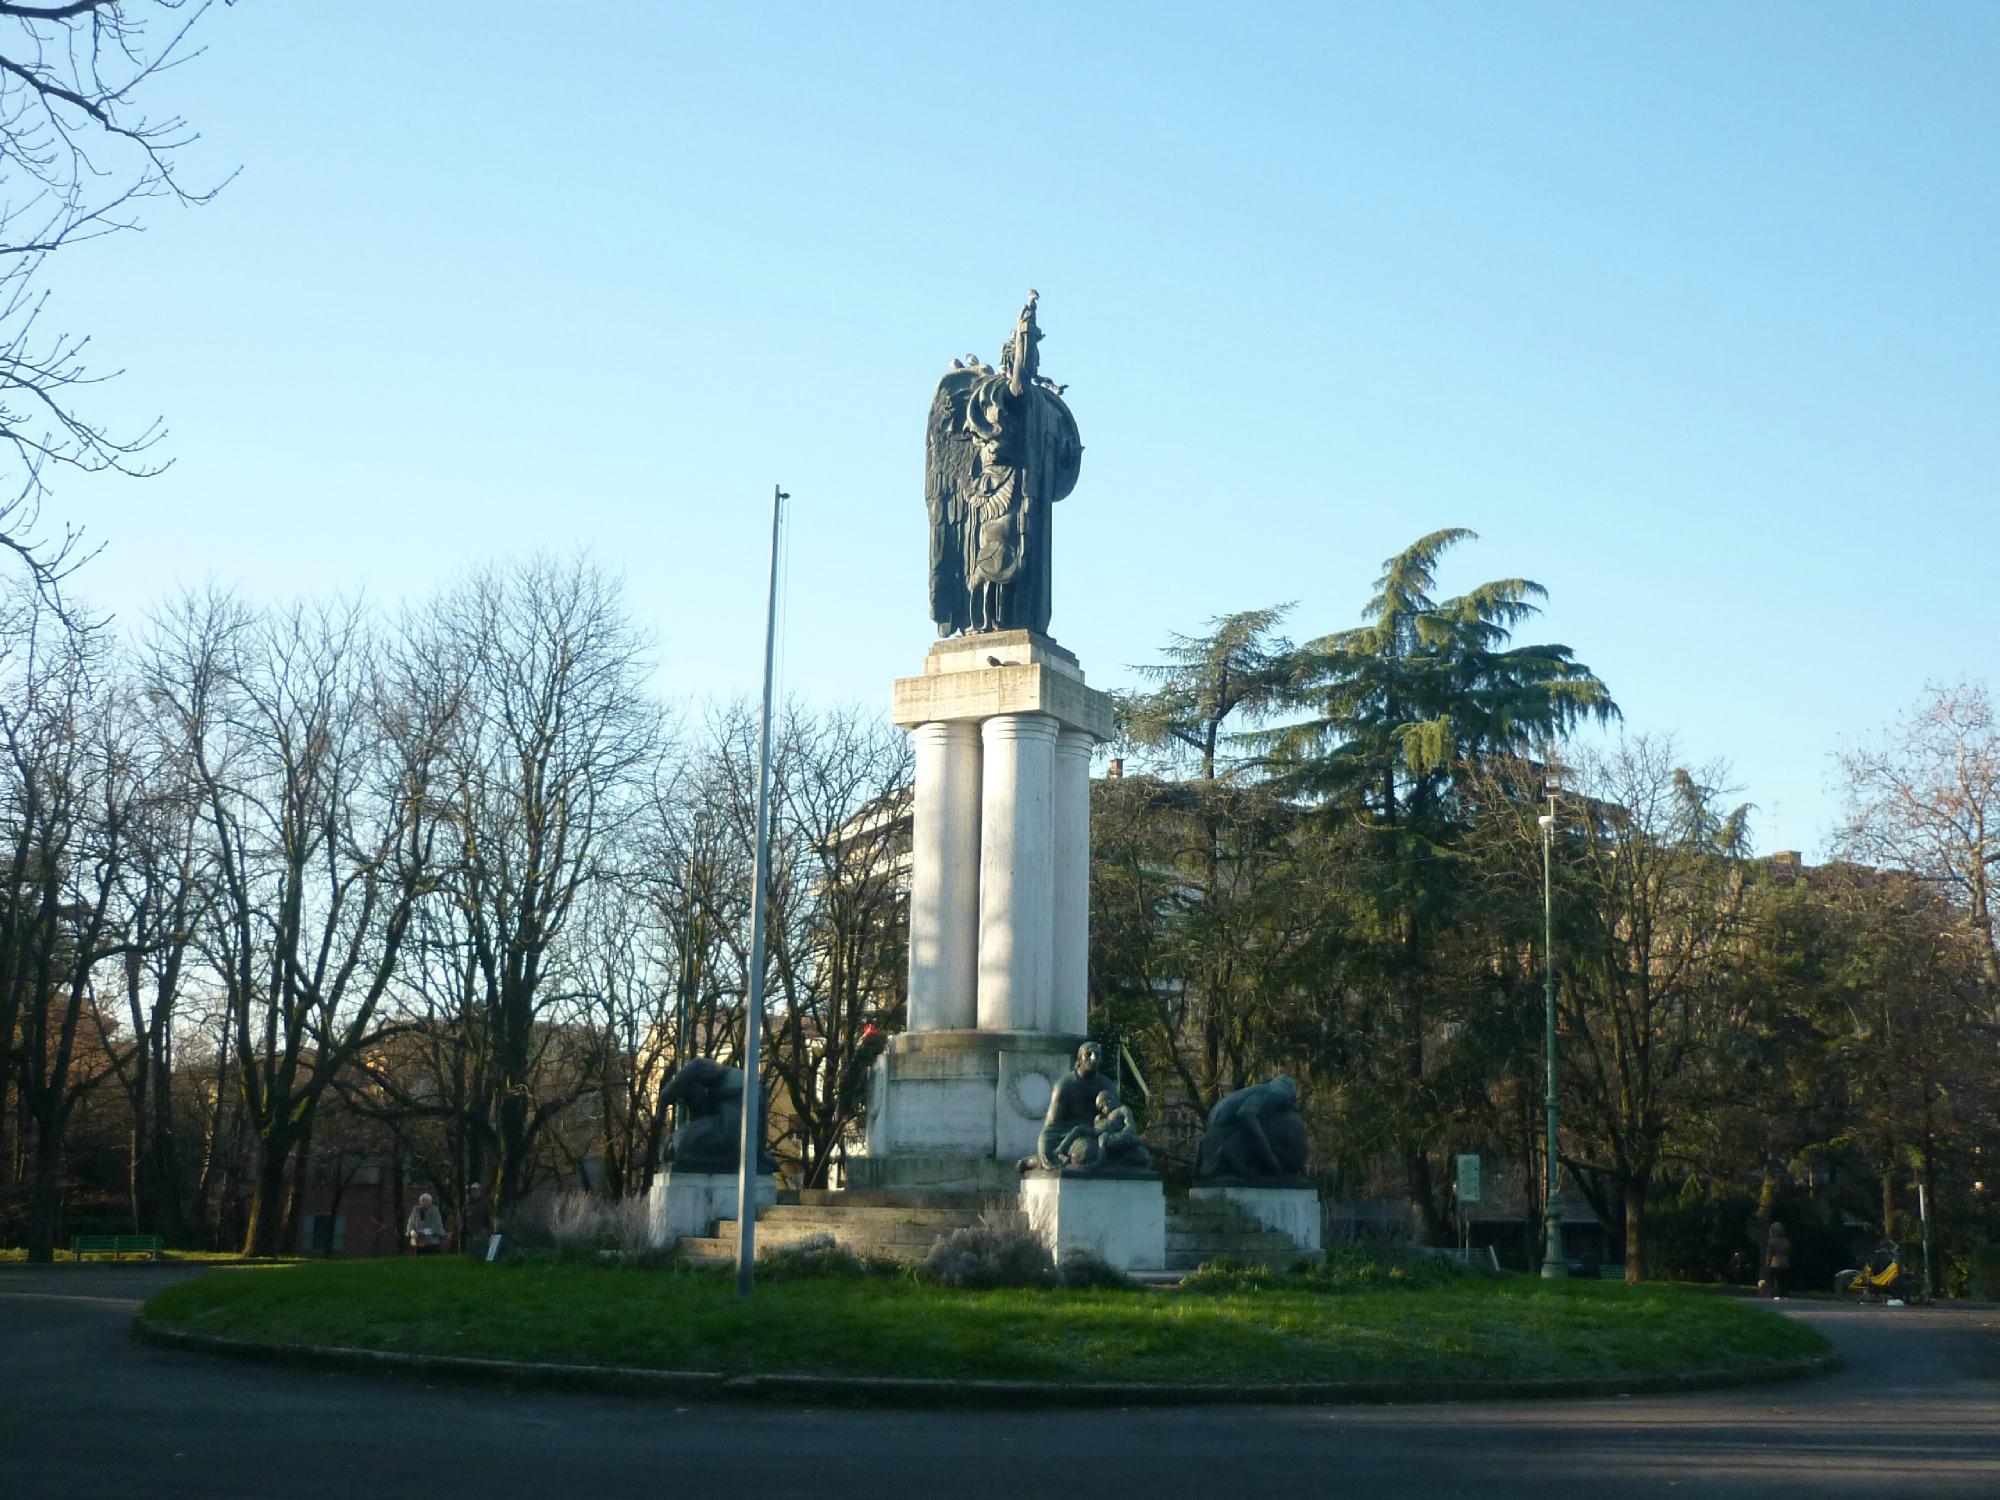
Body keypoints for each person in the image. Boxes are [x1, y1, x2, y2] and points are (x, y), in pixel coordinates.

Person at [460, 1181, 493, 1257]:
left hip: (482, 1230)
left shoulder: (485, 1203)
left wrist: (490, 1230)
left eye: (476, 1190)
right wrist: (462, 1228)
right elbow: (463, 1216)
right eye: (472, 1190)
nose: (474, 1192)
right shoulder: (467, 1203)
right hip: (469, 1232)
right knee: (470, 1252)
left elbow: (489, 1217)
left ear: (480, 1191)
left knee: (481, 1250)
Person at [1764, 1220, 1792, 1299]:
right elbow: (1789, 1251)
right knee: (1784, 1279)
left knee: (1776, 1279)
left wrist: (1767, 1263)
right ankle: (1785, 1294)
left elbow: (1769, 1253)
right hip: (1785, 1262)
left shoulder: (1771, 1241)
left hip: (1775, 1262)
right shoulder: (1786, 1240)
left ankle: (1777, 1294)